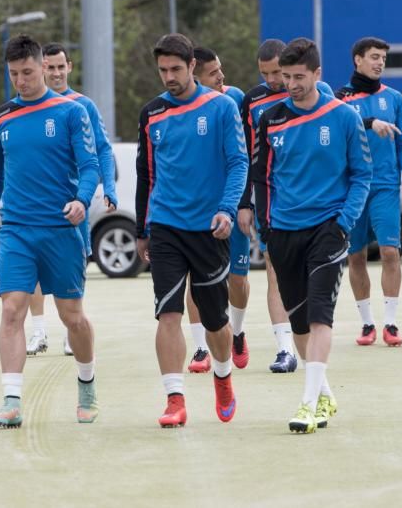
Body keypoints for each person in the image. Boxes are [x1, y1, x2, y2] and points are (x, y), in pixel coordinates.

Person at [0, 34, 100, 429]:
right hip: (16, 230)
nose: (21, 81)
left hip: (60, 229)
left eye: (27, 72)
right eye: (14, 74)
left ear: (43, 67)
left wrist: (81, 200)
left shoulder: (69, 112)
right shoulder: (1, 118)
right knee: (12, 309)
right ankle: (11, 401)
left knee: (72, 317)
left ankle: (87, 384)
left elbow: (91, 165)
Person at [253, 37, 372, 434]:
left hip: (329, 228)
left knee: (321, 315)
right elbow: (263, 178)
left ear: (318, 74)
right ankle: (322, 392)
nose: (291, 84)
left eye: (299, 77)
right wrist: (265, 226)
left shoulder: (344, 117)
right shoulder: (270, 119)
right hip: (284, 231)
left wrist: (344, 222)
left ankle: (306, 403)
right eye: (286, 77)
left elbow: (361, 175)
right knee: (299, 324)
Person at [135, 33, 248, 428]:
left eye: (175, 69)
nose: (168, 76)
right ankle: (174, 399)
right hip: (166, 226)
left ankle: (222, 376)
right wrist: (142, 228)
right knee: (168, 314)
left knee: (216, 321)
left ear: (192, 67)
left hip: (210, 228)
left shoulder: (220, 107)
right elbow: (146, 174)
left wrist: (226, 210)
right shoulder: (151, 114)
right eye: (162, 69)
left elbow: (238, 163)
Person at [237, 39, 337, 373]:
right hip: (272, 201)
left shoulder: (318, 92)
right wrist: (245, 202)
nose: (274, 81)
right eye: (265, 74)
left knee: (313, 279)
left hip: (314, 204)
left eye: (277, 72)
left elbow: (337, 130)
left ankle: (313, 344)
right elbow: (248, 155)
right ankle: (285, 349)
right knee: (275, 272)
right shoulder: (252, 101)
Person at [24, 42, 118, 358]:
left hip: (73, 202)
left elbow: (103, 149)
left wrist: (108, 188)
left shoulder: (83, 106)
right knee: (34, 268)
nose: (55, 72)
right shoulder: (27, 105)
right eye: (49, 67)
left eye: (60, 66)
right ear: (41, 69)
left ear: (70, 67)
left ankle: (71, 329)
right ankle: (38, 332)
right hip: (37, 202)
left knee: (73, 265)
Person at [336, 37, 402, 347]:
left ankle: (391, 324)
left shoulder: (395, 98)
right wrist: (371, 123)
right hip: (352, 188)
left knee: (389, 252)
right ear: (357, 59)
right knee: (355, 256)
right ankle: (367, 323)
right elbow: (344, 124)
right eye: (373, 56)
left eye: (382, 57)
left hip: (385, 185)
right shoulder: (339, 97)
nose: (379, 62)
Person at [184, 46, 252, 373]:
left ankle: (236, 332)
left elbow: (243, 157)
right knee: (194, 282)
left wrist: (243, 204)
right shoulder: (178, 109)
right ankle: (200, 348)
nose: (221, 77)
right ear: (195, 78)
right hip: (195, 211)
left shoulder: (234, 98)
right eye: (213, 73)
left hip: (231, 204)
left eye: (220, 69)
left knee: (237, 278)